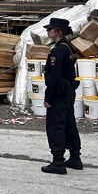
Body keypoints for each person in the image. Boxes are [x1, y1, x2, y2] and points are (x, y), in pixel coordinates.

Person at [41, 17, 82, 174]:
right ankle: (75, 157)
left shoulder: (58, 50)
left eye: (50, 29)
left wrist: (48, 97)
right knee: (69, 123)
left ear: (58, 31)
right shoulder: (69, 47)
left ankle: (58, 161)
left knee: (56, 126)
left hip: (59, 92)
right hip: (68, 91)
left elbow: (54, 76)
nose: (47, 31)